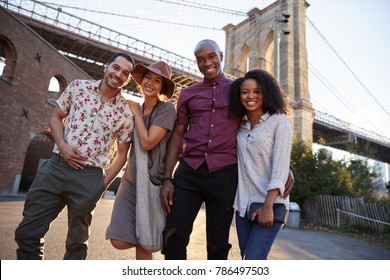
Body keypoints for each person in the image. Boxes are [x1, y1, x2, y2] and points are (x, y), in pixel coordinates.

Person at [160, 39, 294, 260]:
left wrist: (284, 166)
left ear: (221, 56)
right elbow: (177, 135)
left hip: (224, 175)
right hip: (188, 172)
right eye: (200, 59)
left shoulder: (238, 90)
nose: (207, 63)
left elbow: (261, 124)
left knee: (217, 244)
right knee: (173, 236)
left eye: (211, 56)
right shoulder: (187, 94)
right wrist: (167, 178)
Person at [14, 52, 135, 260]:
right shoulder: (79, 87)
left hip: (90, 177)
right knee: (27, 234)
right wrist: (62, 145)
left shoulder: (125, 113)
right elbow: (56, 116)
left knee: (76, 246)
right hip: (55, 168)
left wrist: (100, 185)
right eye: (116, 68)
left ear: (128, 79)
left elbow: (122, 155)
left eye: (125, 73)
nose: (119, 75)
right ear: (107, 66)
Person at [105, 61, 176, 260]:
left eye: (157, 80)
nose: (151, 83)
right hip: (129, 180)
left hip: (152, 182)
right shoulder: (134, 109)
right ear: (141, 80)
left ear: (162, 87)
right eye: (147, 77)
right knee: (118, 239)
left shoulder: (166, 110)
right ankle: (148, 240)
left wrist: (136, 111)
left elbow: (147, 142)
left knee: (145, 243)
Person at [229, 69, 292, 260]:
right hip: (243, 206)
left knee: (253, 261)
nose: (250, 96)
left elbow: (281, 165)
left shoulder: (279, 122)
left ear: (267, 92)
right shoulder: (239, 126)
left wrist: (268, 206)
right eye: (245, 92)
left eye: (257, 91)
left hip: (269, 204)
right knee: (247, 258)